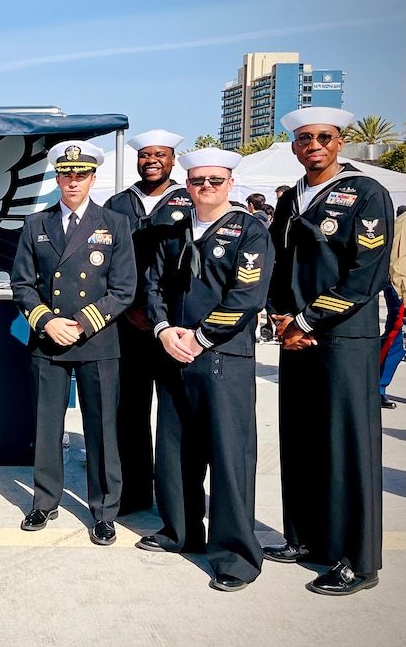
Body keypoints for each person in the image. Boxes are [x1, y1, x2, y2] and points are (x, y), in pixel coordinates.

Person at [265, 107, 393, 595]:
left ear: (339, 142)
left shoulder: (366, 193)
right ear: (295, 146)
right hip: (296, 337)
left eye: (323, 136)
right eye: (303, 138)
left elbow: (366, 273)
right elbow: (278, 263)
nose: (313, 144)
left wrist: (305, 320)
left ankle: (357, 561)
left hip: (342, 337)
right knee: (301, 441)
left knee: (348, 448)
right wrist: (281, 317)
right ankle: (305, 538)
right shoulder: (293, 196)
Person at [138, 148, 272, 592]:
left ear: (230, 184)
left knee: (230, 458)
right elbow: (153, 285)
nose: (206, 188)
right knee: (175, 451)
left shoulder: (249, 231)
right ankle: (181, 532)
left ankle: (236, 557)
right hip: (174, 353)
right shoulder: (174, 231)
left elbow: (246, 297)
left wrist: (198, 338)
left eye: (215, 181)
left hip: (221, 358)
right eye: (197, 181)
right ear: (187, 184)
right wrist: (162, 331)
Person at [11, 140, 135, 545]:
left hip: (96, 340)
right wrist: (47, 322)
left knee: (102, 429)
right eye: (66, 174)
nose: (73, 181)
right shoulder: (36, 224)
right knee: (47, 428)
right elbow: (23, 285)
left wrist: (80, 324)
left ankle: (103, 511)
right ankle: (44, 501)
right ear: (57, 177)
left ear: (93, 178)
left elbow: (123, 289)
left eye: (81, 174)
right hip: (49, 341)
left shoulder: (114, 223)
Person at [104, 129, 192, 515]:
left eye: (160, 154)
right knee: (129, 412)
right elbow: (103, 263)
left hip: (176, 326)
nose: (151, 160)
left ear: (173, 158)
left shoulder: (190, 200)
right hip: (127, 324)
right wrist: (126, 308)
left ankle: (176, 500)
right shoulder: (118, 203)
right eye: (144, 155)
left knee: (176, 418)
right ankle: (133, 492)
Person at [379, 206, 406, 409]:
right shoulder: (404, 222)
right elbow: (399, 260)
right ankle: (377, 386)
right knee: (395, 342)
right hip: (401, 290)